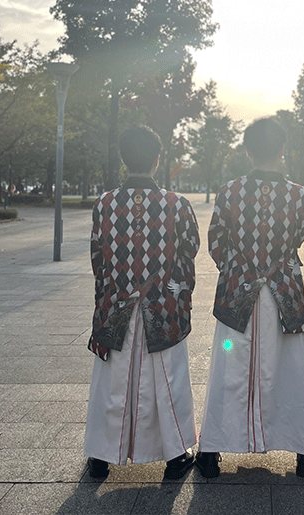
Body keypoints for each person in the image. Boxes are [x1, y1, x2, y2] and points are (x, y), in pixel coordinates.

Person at [196, 117, 304, 478]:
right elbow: (298, 238)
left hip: (238, 291)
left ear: (247, 150)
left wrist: (242, 269)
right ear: (282, 150)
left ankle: (212, 448)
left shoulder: (229, 192)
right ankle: (303, 450)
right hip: (286, 291)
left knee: (229, 366)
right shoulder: (298, 195)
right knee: (292, 367)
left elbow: (216, 242)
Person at [84, 126, 200, 480]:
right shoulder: (176, 204)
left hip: (115, 303)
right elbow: (189, 252)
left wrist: (113, 289)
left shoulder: (104, 203)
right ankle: (174, 455)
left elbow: (97, 258)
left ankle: (101, 456)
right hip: (162, 305)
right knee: (166, 377)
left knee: (112, 378)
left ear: (124, 159)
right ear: (157, 160)